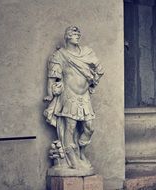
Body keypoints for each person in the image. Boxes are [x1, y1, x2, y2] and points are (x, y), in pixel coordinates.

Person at [43, 26, 104, 174]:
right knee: (69, 128)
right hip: (68, 96)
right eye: (74, 34)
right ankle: (72, 158)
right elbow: (52, 77)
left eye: (78, 34)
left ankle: (81, 151)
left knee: (90, 127)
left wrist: (95, 76)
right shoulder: (59, 55)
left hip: (84, 97)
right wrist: (50, 94)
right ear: (67, 37)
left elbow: (99, 69)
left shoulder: (87, 52)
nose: (77, 36)